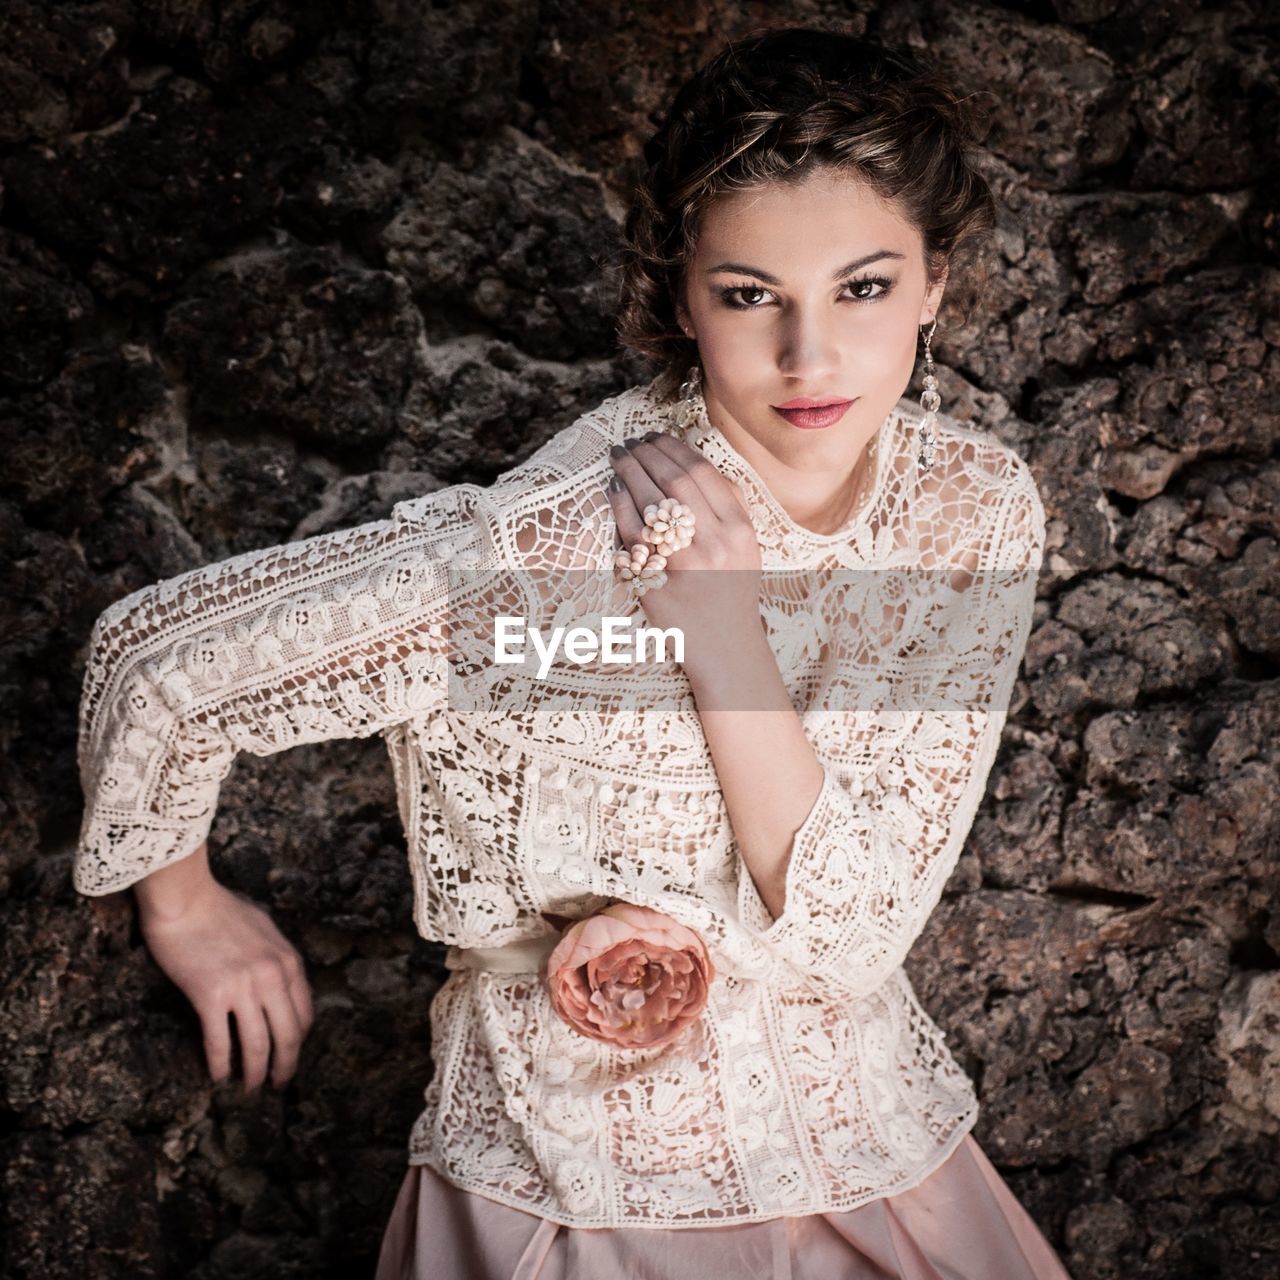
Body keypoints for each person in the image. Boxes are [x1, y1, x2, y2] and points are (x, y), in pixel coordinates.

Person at [72, 24, 1075, 1280]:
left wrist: (721, 632)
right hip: (569, 1199)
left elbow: (853, 934)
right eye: (748, 295)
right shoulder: (539, 553)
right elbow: (154, 660)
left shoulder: (967, 509)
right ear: (679, 296)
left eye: (862, 288)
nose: (809, 358)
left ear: (934, 282)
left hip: (884, 1179)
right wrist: (184, 903)